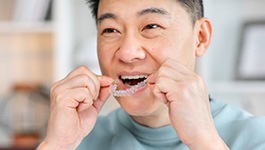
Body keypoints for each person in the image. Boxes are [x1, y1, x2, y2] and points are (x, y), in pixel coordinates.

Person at [37, 0, 265, 149]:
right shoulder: (77, 139)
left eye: (151, 27)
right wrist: (56, 144)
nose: (127, 53)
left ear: (201, 37)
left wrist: (203, 141)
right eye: (110, 30)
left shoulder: (256, 137)